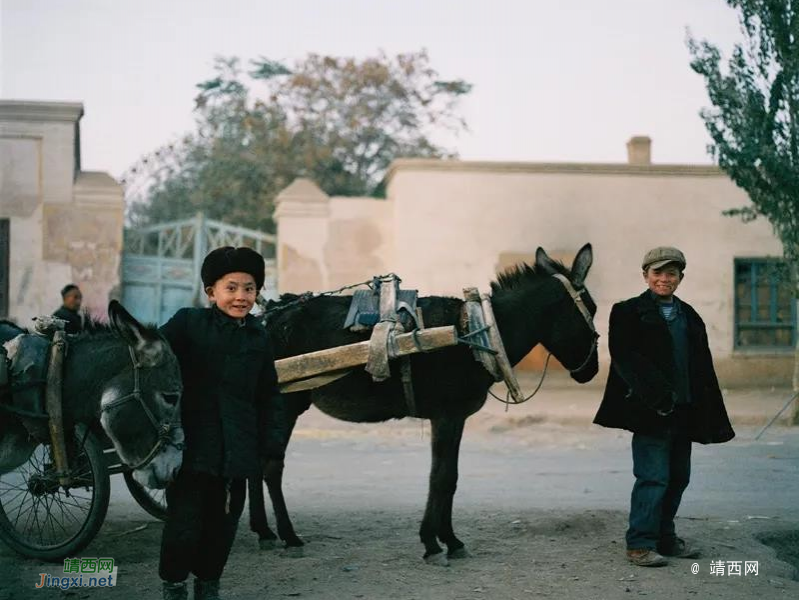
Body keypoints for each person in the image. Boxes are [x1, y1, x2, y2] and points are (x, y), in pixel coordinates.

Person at [158, 246, 286, 600]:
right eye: (231, 288)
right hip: (192, 449)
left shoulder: (258, 337)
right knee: (184, 525)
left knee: (223, 527)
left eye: (249, 288)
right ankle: (173, 587)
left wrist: (272, 447)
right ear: (211, 292)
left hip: (237, 453)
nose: (241, 296)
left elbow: (269, 395)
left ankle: (208, 586)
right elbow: (153, 357)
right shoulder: (188, 324)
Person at [593, 246, 735, 567]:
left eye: (671, 273)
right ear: (645, 276)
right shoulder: (627, 312)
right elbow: (626, 360)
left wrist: (706, 411)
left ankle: (665, 539)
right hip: (650, 412)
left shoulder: (690, 316)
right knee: (653, 477)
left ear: (680, 278)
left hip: (684, 412)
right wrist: (658, 399)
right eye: (657, 272)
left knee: (678, 477)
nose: (664, 279)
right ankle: (640, 544)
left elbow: (702, 369)